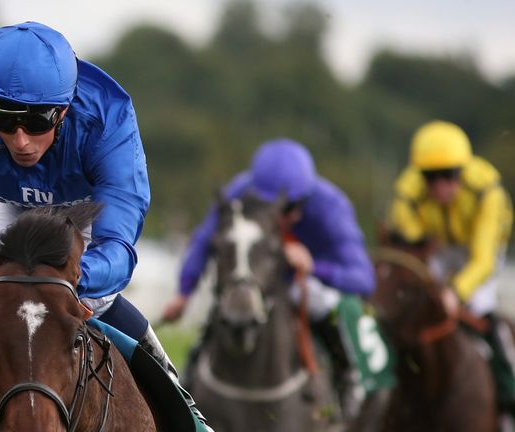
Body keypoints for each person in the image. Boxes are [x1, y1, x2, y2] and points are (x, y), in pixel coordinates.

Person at [0, 22, 212, 431]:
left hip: (86, 211)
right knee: (4, 303)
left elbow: (118, 247)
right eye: (5, 121)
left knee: (97, 301)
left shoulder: (108, 118)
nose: (21, 141)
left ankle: (189, 412)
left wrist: (71, 275)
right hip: (13, 207)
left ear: (63, 110)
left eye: (37, 122)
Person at [163, 138, 389, 421]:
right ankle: (190, 375)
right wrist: (184, 293)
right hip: (259, 281)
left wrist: (313, 267)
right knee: (230, 298)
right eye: (271, 206)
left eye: (290, 207)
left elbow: (363, 280)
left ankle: (347, 379)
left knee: (319, 300)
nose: (281, 215)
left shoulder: (332, 208)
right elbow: (205, 239)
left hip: (304, 283)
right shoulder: (240, 190)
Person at [387, 119, 515, 415]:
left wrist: (455, 292)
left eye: (449, 175)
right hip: (438, 248)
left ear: (463, 171)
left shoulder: (487, 193)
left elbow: (483, 259)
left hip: (479, 249)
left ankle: (507, 383)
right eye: (430, 177)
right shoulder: (407, 194)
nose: (440, 186)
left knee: (480, 306)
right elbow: (411, 248)